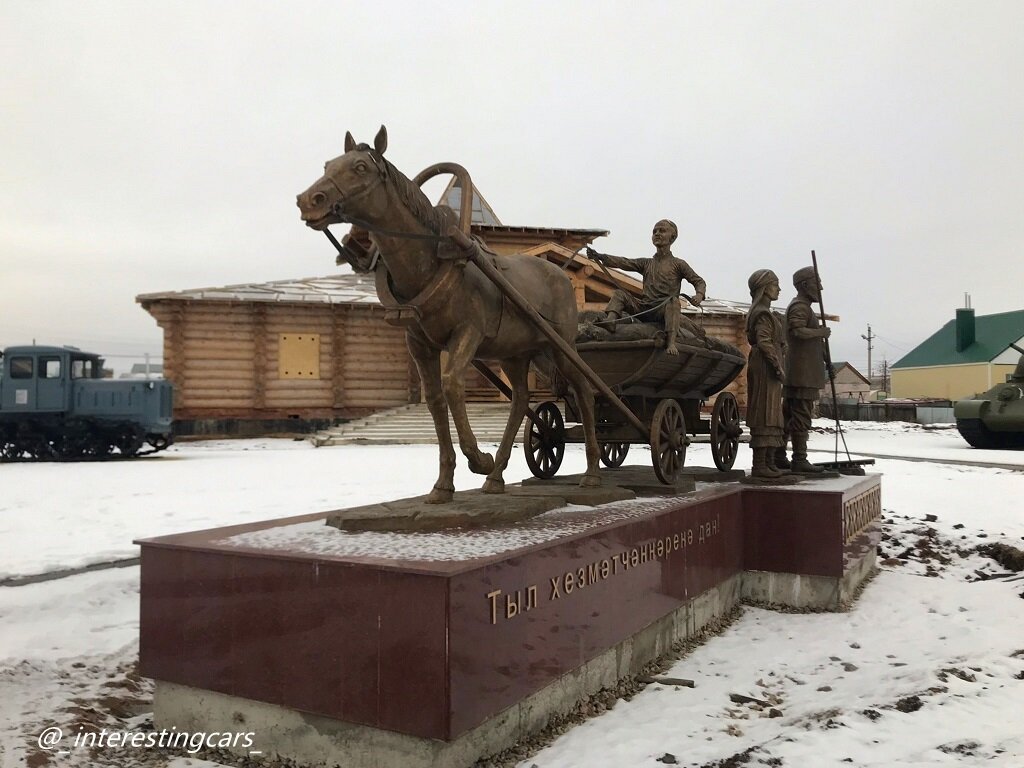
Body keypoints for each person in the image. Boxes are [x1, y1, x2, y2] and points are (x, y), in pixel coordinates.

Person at [585, 219, 706, 355]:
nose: (657, 234)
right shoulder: (646, 263)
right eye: (654, 231)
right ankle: (610, 321)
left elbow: (699, 281)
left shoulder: (679, 264)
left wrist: (699, 295)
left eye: (662, 230)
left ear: (672, 237)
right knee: (620, 294)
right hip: (645, 307)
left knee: (673, 301)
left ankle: (671, 342)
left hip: (663, 310)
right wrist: (600, 256)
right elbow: (624, 262)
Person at [784, 266, 831, 473]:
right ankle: (799, 459)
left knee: (789, 415)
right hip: (802, 374)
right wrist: (819, 331)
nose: (820, 287)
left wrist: (826, 359)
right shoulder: (800, 307)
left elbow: (812, 341)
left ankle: (779, 455)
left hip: (802, 372)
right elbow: (797, 331)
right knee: (801, 415)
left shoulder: (805, 307)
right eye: (816, 282)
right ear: (804, 285)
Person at [744, 270, 786, 479]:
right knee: (764, 411)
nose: (779, 289)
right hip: (764, 366)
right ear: (764, 287)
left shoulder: (767, 313)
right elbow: (764, 342)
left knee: (772, 413)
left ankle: (769, 461)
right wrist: (777, 366)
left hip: (768, 365)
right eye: (775, 284)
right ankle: (760, 463)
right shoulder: (762, 313)